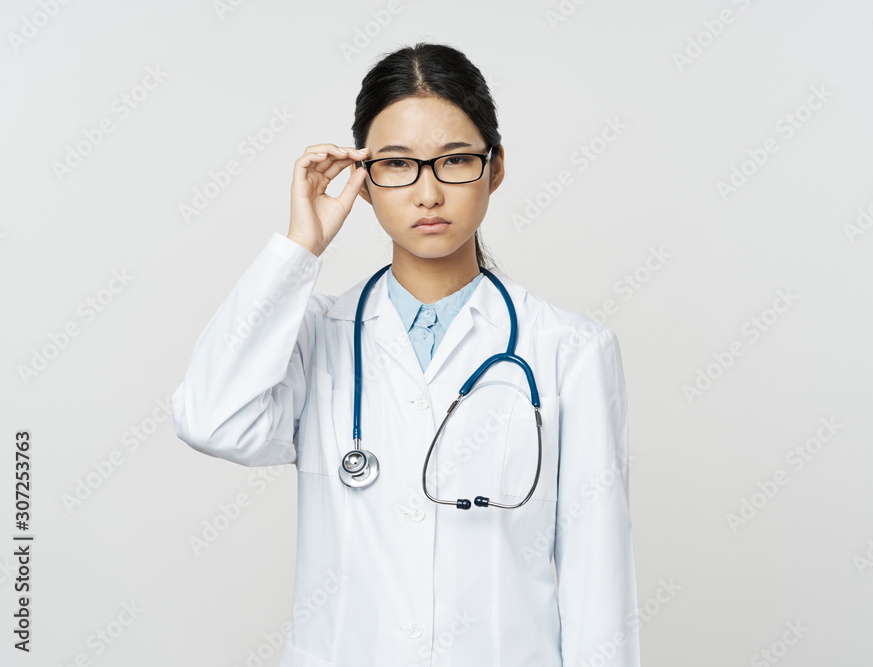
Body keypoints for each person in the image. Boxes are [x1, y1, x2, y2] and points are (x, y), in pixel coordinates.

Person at [171, 41, 641, 666]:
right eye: (397, 164)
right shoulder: (315, 337)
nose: (427, 193)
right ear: (363, 182)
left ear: (495, 168)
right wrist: (298, 249)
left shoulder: (570, 350)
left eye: (454, 161)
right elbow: (209, 419)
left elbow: (598, 576)